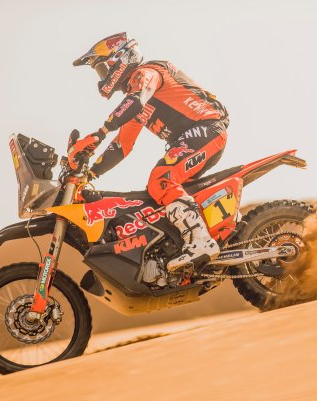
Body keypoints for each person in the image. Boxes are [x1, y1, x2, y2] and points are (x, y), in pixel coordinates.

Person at [69, 32, 228, 271]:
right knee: (159, 196)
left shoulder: (145, 74)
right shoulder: (138, 100)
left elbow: (135, 102)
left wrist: (101, 132)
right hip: (197, 137)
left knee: (161, 180)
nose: (103, 77)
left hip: (206, 128)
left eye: (102, 68)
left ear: (121, 58)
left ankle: (200, 242)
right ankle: (194, 243)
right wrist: (90, 174)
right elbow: (122, 146)